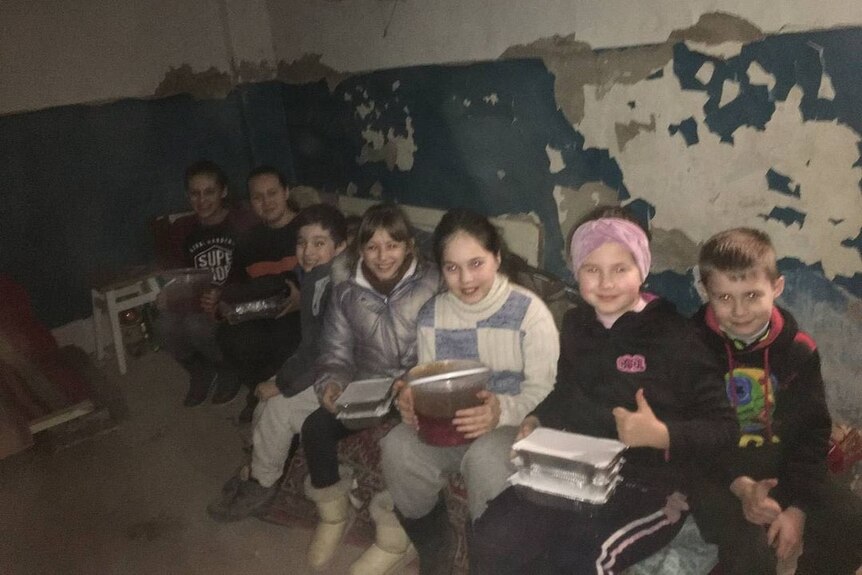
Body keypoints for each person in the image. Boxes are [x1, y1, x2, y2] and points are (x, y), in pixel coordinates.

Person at [471, 205, 739, 575]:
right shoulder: (578, 324)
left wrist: (662, 435)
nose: (606, 282)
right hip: (575, 471)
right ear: (577, 272)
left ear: (641, 271)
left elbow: (724, 429)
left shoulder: (677, 337)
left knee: (577, 559)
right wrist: (540, 416)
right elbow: (567, 390)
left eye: (620, 269)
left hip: (650, 486)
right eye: (591, 269)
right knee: (492, 535)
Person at [350, 208, 559, 575]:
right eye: (452, 268)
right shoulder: (433, 315)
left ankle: (489, 556)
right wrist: (411, 402)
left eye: (476, 263)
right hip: (453, 424)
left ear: (497, 257)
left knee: (485, 460)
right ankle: (433, 545)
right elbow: (428, 380)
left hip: (517, 422)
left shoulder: (530, 313)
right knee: (398, 448)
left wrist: (502, 412)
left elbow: (548, 391)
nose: (465, 279)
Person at [690, 227, 862, 575]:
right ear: (704, 291)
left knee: (851, 520)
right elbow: (690, 436)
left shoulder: (799, 351)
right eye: (724, 297)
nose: (739, 311)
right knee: (753, 550)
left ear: (777, 288)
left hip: (780, 471)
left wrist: (796, 507)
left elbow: (812, 434)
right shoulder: (689, 348)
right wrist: (741, 486)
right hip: (719, 477)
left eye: (752, 295)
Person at [300, 204, 440, 571]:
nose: (382, 256)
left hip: (415, 389)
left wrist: (411, 382)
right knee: (315, 427)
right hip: (368, 389)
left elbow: (443, 348)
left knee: (402, 449)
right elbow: (335, 353)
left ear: (409, 246)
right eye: (372, 247)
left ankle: (396, 539)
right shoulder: (346, 293)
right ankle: (333, 516)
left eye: (392, 245)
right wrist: (332, 385)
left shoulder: (433, 283)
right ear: (359, 249)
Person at [206, 203, 348, 521]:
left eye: (319, 243)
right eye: (302, 242)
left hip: (348, 377)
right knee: (266, 394)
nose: (308, 252)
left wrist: (284, 384)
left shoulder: (341, 288)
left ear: (341, 246)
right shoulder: (316, 276)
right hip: (324, 366)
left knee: (278, 407)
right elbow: (311, 344)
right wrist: (280, 378)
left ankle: (263, 483)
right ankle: (258, 463)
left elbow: (330, 352)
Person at [154, 160, 254, 407]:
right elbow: (173, 271)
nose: (202, 200)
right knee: (163, 325)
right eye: (195, 194)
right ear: (188, 196)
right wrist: (167, 292)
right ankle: (200, 371)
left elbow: (253, 269)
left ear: (223, 192)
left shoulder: (241, 222)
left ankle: (227, 369)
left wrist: (225, 293)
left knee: (196, 325)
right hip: (194, 298)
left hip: (232, 298)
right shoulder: (183, 228)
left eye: (209, 192)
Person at [212, 166, 302, 419]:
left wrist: (303, 300)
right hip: (262, 311)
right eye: (257, 197)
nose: (266, 202)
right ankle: (258, 393)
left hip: (304, 310)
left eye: (272, 193)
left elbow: (334, 275)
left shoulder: (308, 228)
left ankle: (284, 398)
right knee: (230, 336)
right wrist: (221, 304)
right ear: (250, 202)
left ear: (286, 192)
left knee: (285, 336)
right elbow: (233, 286)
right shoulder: (248, 240)